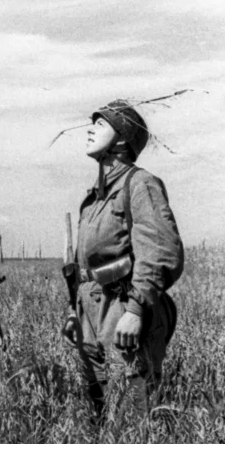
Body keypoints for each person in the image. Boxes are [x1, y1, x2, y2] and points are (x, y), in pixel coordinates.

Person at [63, 99, 184, 423]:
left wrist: (135, 310)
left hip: (123, 307)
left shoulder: (139, 183)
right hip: (91, 313)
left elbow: (160, 250)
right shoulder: (93, 199)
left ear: (121, 138)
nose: (90, 129)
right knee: (98, 412)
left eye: (100, 124)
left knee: (130, 415)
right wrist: (75, 311)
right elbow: (88, 265)